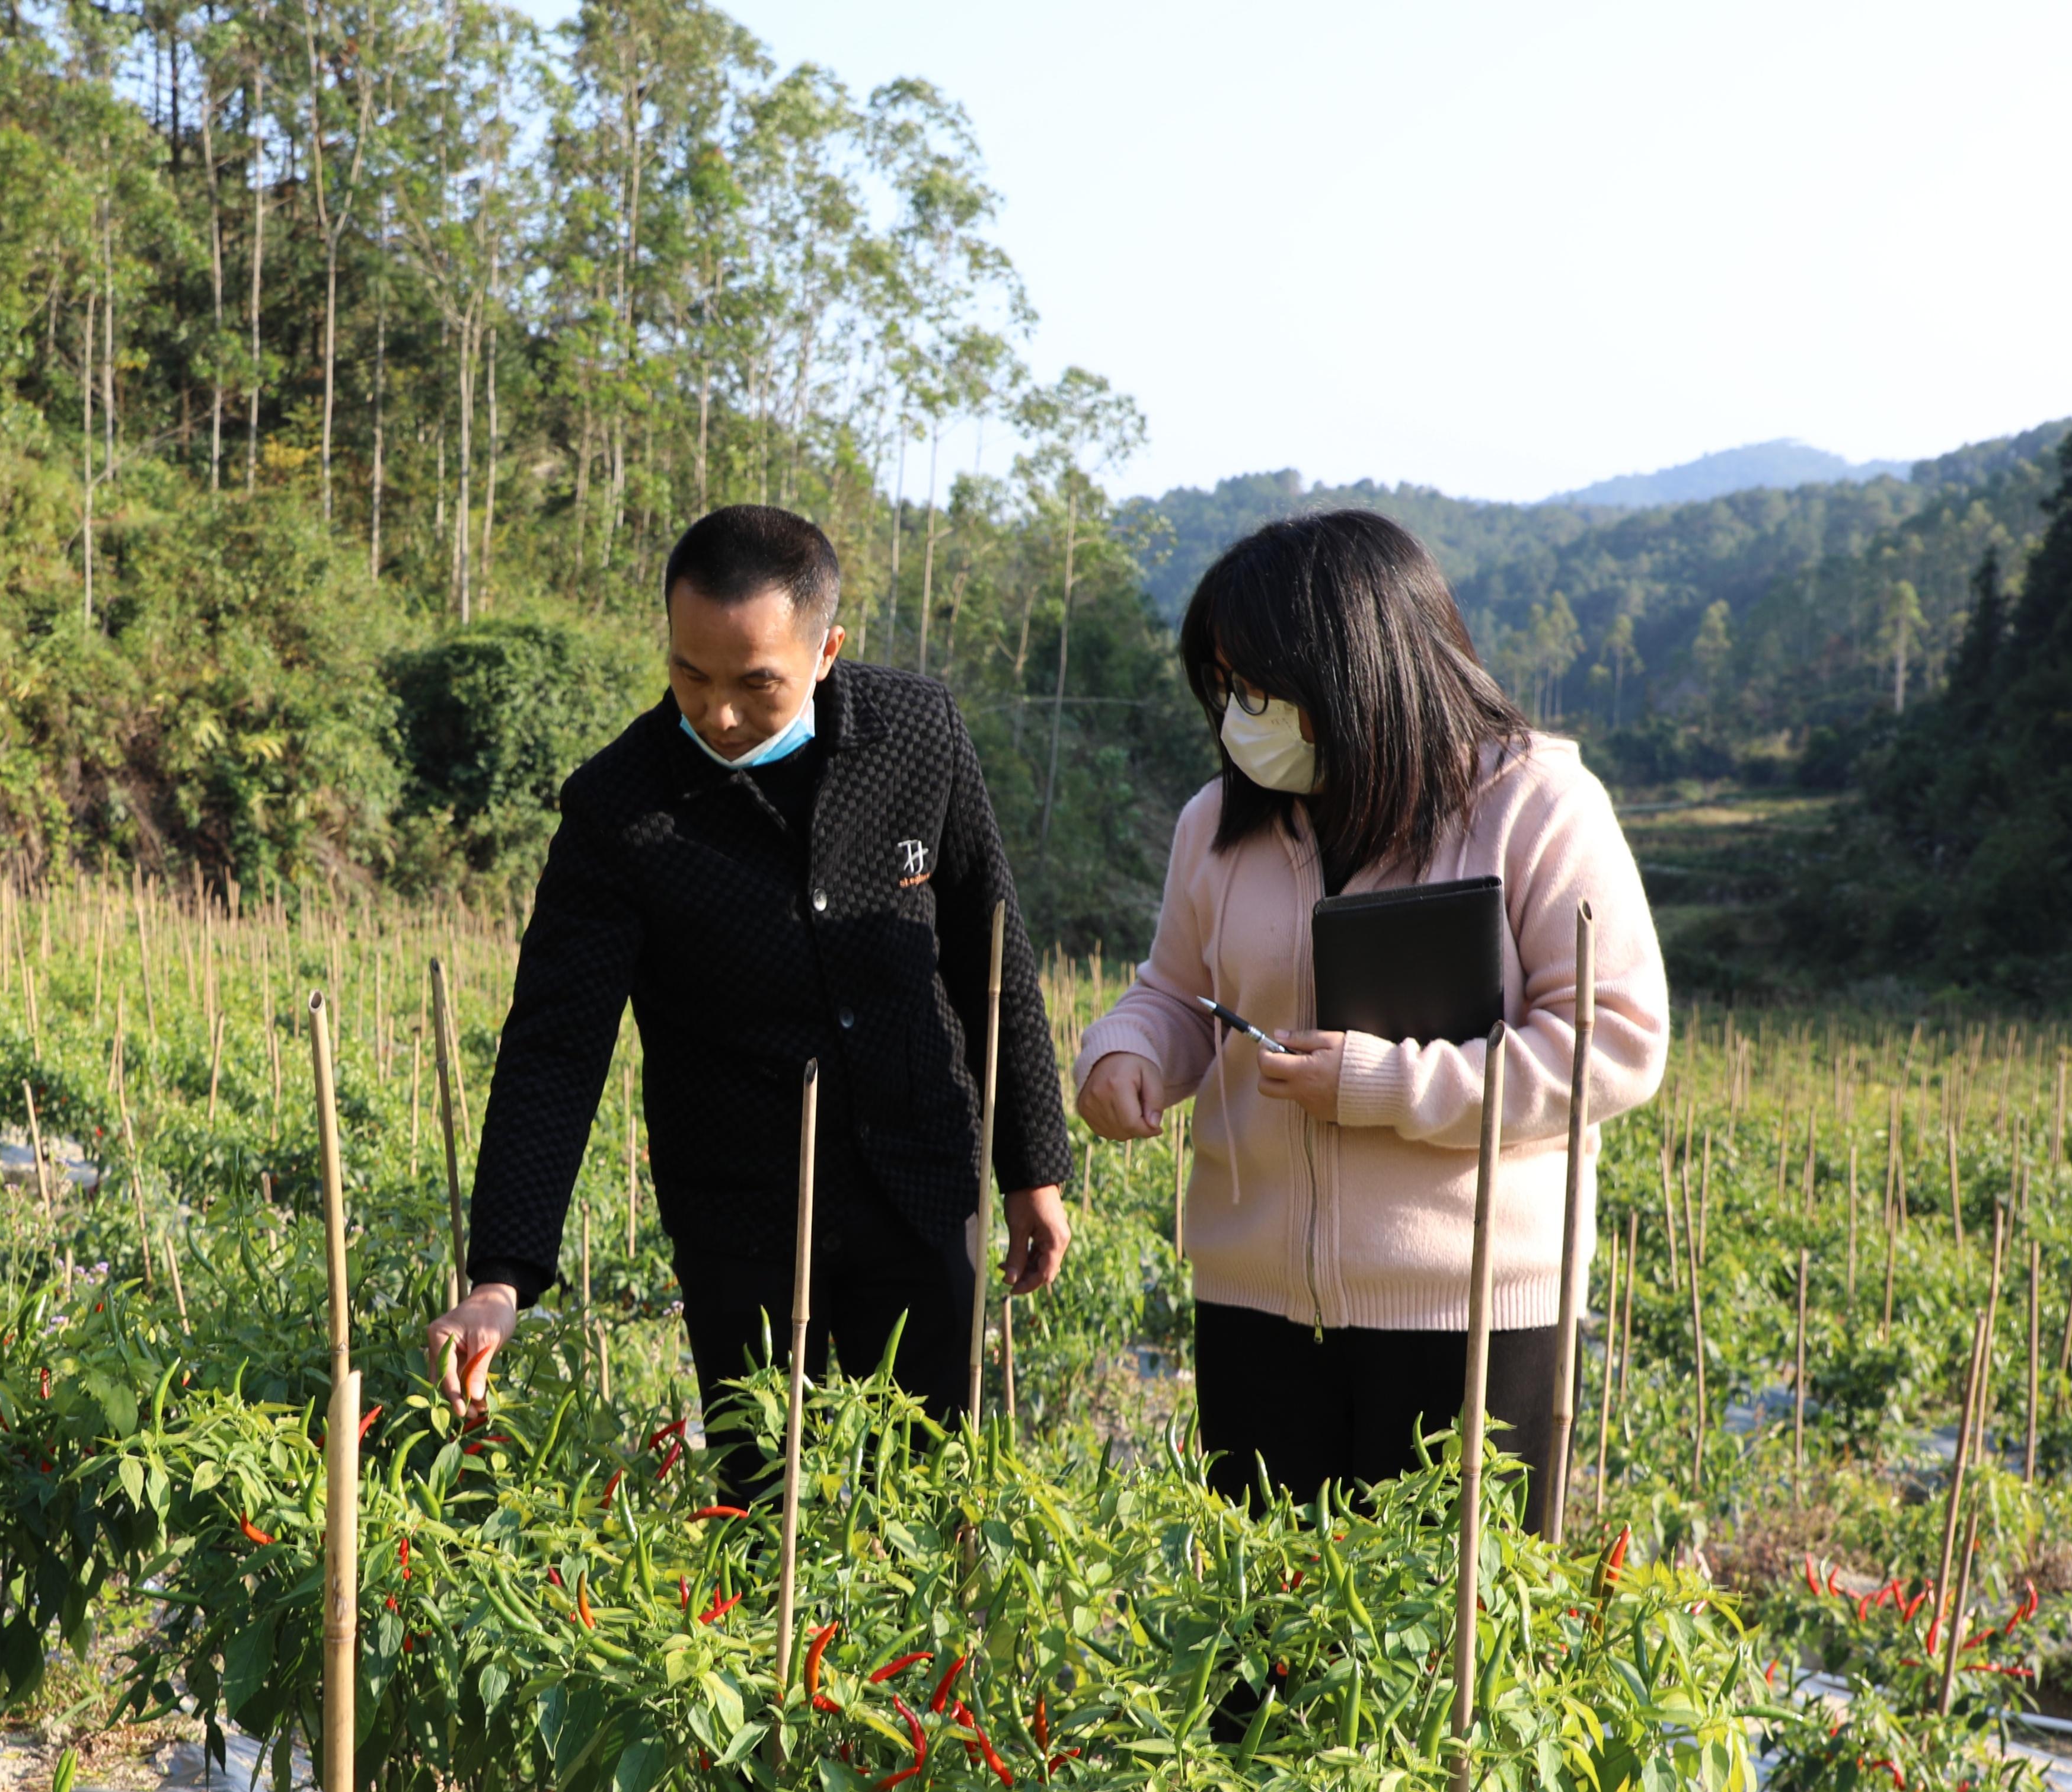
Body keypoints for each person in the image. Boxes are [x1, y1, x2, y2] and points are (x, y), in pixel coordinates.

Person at [426, 504, 1072, 1475]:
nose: (719, 712)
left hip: (921, 1189)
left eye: (755, 683)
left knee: (938, 1495)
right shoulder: (620, 807)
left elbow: (993, 953)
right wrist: (503, 1274)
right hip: (744, 1222)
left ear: (826, 653)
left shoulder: (915, 736)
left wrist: (1034, 1169)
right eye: (691, 674)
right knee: (769, 1503)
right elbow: (557, 1044)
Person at [1071, 510, 1668, 1518]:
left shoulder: (1536, 808)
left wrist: (1385, 1086)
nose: (1237, 717)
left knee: (1439, 1650)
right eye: (1226, 690)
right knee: (1262, 1643)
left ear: (1357, 674)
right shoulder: (1219, 822)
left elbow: (1611, 1045)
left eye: (1260, 689)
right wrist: (1125, 1051)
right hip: (1254, 1305)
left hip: (1471, 1316)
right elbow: (1176, 990)